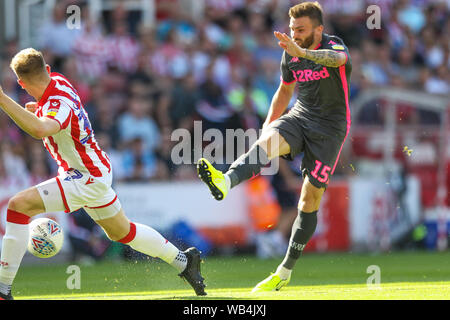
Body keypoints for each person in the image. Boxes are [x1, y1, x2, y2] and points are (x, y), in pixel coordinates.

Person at [0, 48, 206, 300]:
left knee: (17, 207)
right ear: (48, 70)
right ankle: (185, 261)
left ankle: (3, 288)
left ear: (21, 83)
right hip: (96, 171)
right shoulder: (59, 82)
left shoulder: (58, 104)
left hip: (83, 176)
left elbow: (41, 130)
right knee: (123, 232)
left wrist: (3, 99)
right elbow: (51, 115)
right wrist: (38, 108)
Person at [197, 1, 351, 292]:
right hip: (300, 116)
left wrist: (303, 52)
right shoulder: (290, 54)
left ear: (319, 29)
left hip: (330, 129)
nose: (295, 34)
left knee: (308, 201)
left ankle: (285, 270)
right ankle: (226, 180)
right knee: (266, 142)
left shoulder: (334, 45)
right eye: (293, 29)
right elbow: (284, 90)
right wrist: (269, 123)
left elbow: (338, 60)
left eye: (301, 29)